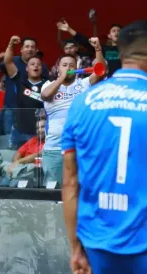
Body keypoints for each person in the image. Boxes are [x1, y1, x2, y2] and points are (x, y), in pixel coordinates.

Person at [61, 20, 147, 274]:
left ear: (121, 55)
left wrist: (76, 249)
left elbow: (70, 184)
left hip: (97, 247)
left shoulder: (82, 103)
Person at [40, 38, 105, 186]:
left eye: (71, 65)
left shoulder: (83, 84)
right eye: (64, 65)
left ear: (77, 68)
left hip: (78, 149)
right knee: (52, 192)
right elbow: (45, 95)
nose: (68, 67)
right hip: (53, 150)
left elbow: (99, 71)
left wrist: (98, 50)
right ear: (57, 68)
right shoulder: (48, 84)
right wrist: (61, 78)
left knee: (77, 190)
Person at [0, 36, 49, 138]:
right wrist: (11, 44)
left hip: (33, 114)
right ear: (21, 49)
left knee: (31, 144)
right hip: (11, 110)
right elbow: (7, 62)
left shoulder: (42, 67)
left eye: (32, 47)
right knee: (10, 142)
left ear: (36, 50)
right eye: (27, 46)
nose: (30, 49)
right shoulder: (13, 62)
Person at [0, 119, 45, 188]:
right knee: (5, 169)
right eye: (37, 128)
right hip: (22, 167)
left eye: (42, 127)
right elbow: (18, 153)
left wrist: (16, 163)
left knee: (10, 175)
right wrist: (16, 164)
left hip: (35, 169)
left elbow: (38, 154)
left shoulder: (50, 143)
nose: (39, 130)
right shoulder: (33, 140)